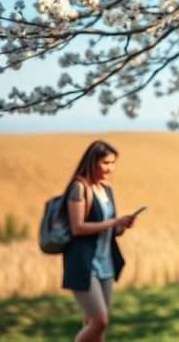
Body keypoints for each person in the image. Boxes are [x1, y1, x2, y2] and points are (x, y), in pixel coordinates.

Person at [63, 139, 137, 342]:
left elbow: (111, 230)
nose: (110, 168)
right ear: (92, 161)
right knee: (99, 321)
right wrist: (114, 221)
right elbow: (77, 228)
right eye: (105, 163)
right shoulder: (79, 187)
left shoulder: (106, 189)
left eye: (113, 163)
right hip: (84, 264)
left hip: (106, 263)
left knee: (95, 327)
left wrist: (122, 225)